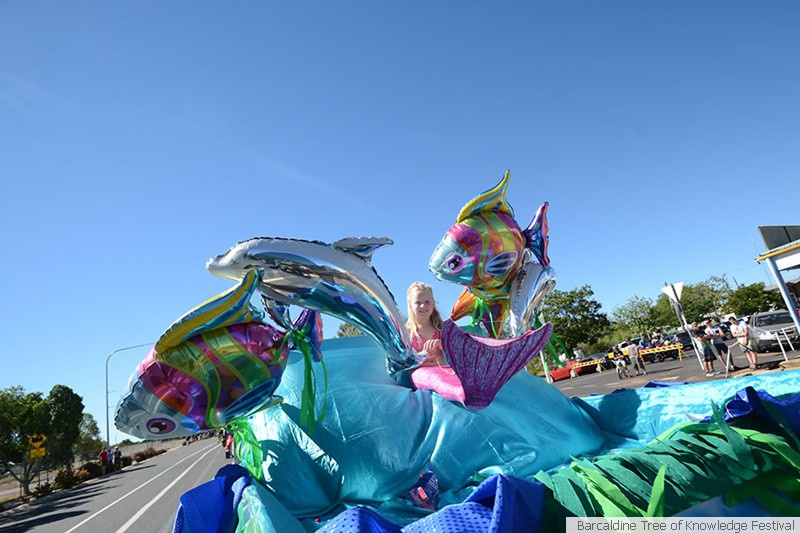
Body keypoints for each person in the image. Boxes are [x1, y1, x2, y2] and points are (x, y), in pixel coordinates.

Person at [405, 282, 445, 366]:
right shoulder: (406, 332)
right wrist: (423, 355)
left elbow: (457, 353)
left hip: (443, 372)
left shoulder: (442, 328)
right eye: (418, 303)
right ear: (410, 305)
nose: (423, 306)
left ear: (433, 303)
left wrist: (442, 345)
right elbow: (403, 362)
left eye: (427, 302)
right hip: (420, 373)